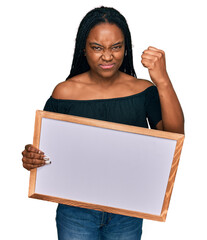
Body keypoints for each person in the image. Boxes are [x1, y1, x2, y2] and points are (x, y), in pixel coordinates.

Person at [22, 6, 184, 240]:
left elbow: (175, 136)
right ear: (84, 49)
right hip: (75, 210)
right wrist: (32, 157)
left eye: (116, 47)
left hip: (127, 209)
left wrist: (162, 79)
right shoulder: (64, 93)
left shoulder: (143, 90)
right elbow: (46, 150)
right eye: (97, 47)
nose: (107, 57)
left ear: (126, 48)